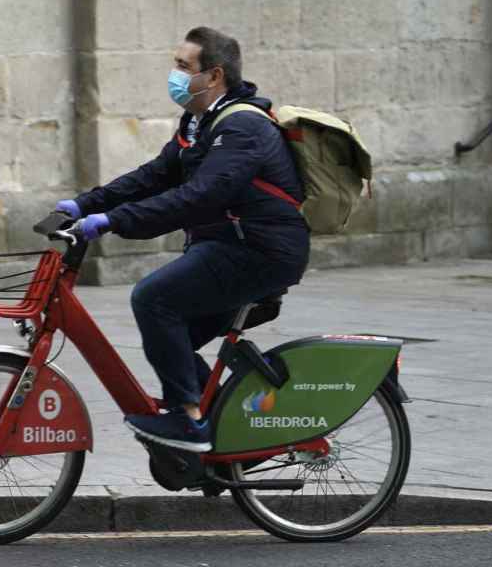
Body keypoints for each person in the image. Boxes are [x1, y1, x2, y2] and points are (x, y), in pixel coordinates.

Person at [56, 26, 309, 452]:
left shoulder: (242, 126)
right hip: (231, 245)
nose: (173, 74)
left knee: (154, 299)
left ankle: (190, 424)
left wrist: (115, 221)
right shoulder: (198, 123)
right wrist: (84, 204)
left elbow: (200, 195)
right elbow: (154, 176)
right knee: (171, 340)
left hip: (260, 251)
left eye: (182, 66)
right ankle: (219, 435)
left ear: (213, 76)